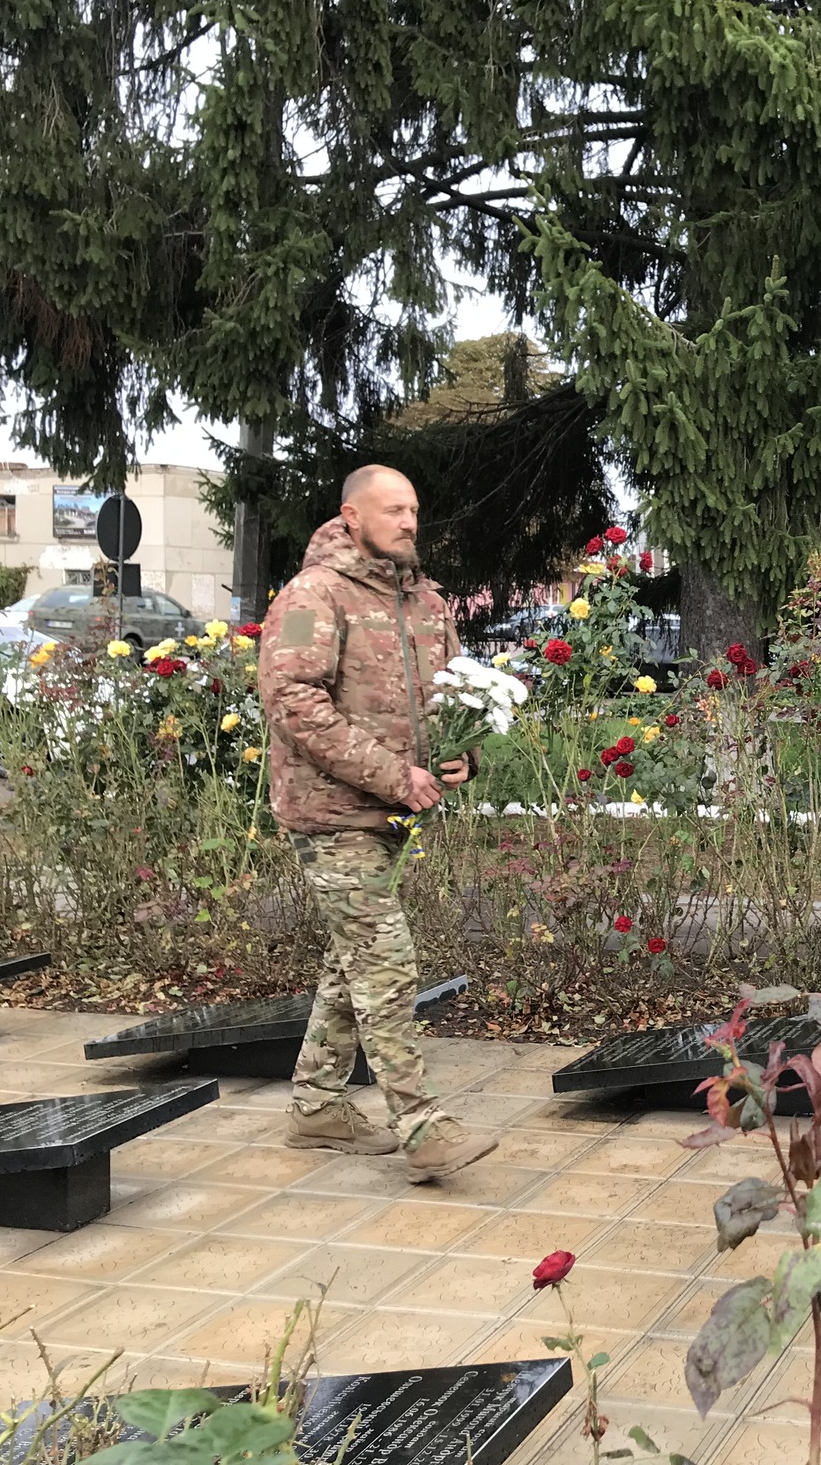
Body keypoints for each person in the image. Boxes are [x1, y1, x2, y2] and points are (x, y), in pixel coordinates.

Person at [259, 465, 497, 1181]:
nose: (409, 522)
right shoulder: (311, 595)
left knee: (353, 959)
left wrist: (462, 755)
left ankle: (316, 1107)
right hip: (332, 814)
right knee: (384, 961)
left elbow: (456, 692)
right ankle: (421, 1127)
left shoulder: (426, 600)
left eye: (414, 509)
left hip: (397, 814)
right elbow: (291, 699)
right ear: (352, 516)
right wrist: (396, 775)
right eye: (393, 510)